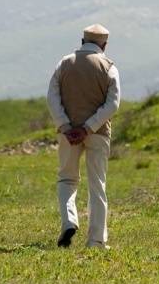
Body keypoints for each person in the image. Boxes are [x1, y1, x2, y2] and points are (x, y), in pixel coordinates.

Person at [46, 23, 121, 249]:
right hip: (98, 133)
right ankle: (96, 241)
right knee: (97, 185)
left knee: (67, 179)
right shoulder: (109, 67)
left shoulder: (64, 63)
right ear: (104, 45)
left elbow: (52, 97)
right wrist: (89, 127)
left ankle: (69, 221)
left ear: (82, 42)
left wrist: (66, 125)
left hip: (68, 135)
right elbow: (113, 104)